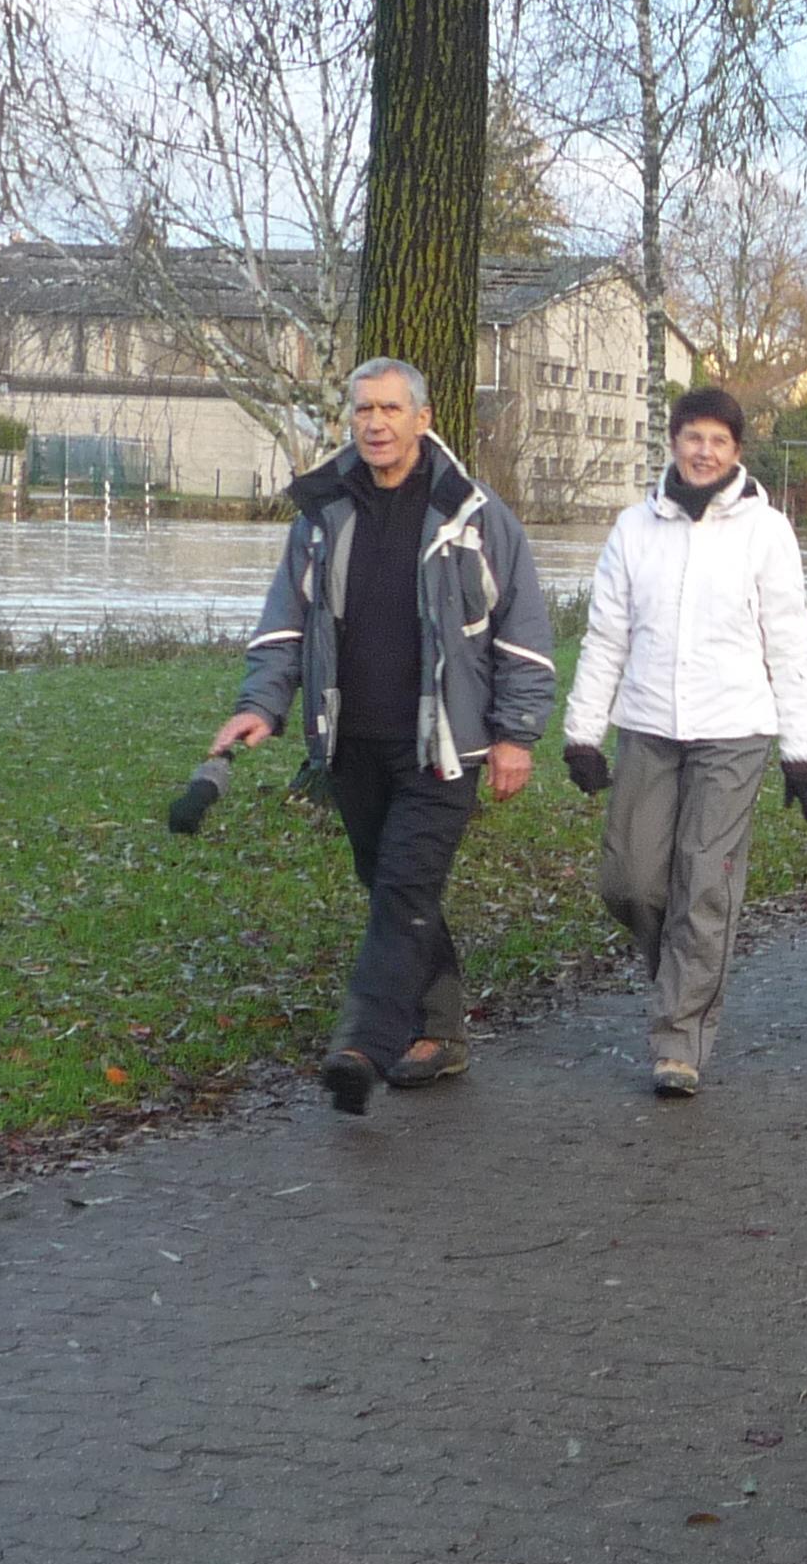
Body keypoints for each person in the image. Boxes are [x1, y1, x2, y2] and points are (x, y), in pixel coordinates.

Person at [211, 358, 555, 1116]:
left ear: (423, 420)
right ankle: (442, 1026)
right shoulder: (322, 512)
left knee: (402, 890)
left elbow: (523, 635)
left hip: (444, 746)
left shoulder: (474, 516)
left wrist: (517, 735)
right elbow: (285, 626)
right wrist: (262, 705)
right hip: (349, 742)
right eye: (364, 409)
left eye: (391, 409)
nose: (375, 423)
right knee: (393, 883)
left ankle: (364, 1045)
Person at [560, 387, 807, 1098]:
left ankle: (679, 1041)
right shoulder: (633, 529)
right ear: (673, 440)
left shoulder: (766, 531)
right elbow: (606, 636)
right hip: (648, 724)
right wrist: (583, 731)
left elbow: (789, 642)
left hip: (735, 729)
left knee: (704, 881)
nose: (704, 452)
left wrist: (802, 748)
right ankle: (683, 978)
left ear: (737, 451)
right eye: (693, 437)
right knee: (631, 881)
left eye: (719, 441)